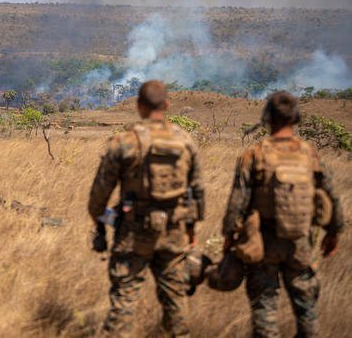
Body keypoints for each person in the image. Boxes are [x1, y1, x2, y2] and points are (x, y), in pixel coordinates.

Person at [222, 91, 344, 338]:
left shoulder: (253, 154)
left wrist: (229, 238)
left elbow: (238, 203)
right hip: (300, 244)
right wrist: (334, 232)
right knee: (307, 312)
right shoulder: (309, 153)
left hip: (263, 245)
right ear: (296, 117)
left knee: (264, 313)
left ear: (267, 117)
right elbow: (331, 195)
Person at [89, 80, 205, 337]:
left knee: (124, 302)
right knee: (176, 303)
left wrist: (99, 220)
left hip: (133, 233)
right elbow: (198, 193)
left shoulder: (124, 142)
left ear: (139, 106)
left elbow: (99, 194)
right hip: (174, 232)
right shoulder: (185, 141)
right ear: (167, 105)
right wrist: (191, 231)